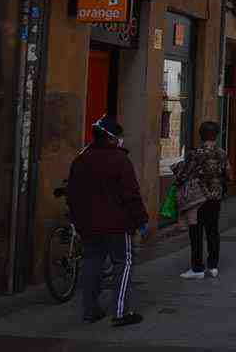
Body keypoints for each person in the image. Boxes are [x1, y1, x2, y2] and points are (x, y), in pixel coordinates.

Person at [66, 116, 147, 326]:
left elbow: (72, 193)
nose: (121, 140)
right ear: (112, 138)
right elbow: (131, 194)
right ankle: (120, 312)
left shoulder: (80, 159)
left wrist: (76, 219)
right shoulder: (120, 160)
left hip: (89, 224)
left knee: (92, 263)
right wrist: (141, 219)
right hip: (118, 224)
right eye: (119, 137)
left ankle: (90, 309)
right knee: (124, 263)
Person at [180, 121, 232, 279]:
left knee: (196, 232)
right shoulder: (222, 153)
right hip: (215, 198)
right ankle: (213, 265)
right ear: (216, 135)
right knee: (212, 231)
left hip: (197, 199)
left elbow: (184, 175)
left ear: (200, 135)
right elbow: (228, 175)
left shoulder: (194, 154)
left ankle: (197, 268)